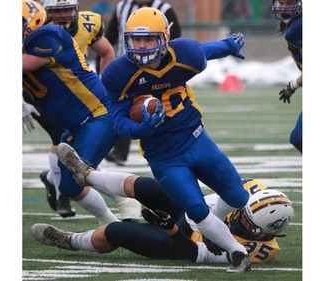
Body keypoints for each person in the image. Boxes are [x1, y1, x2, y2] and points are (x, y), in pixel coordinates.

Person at [100, 7, 251, 272]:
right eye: (137, 39)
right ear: (128, 40)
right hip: (164, 157)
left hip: (196, 139)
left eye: (149, 39)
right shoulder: (117, 73)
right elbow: (118, 122)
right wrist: (143, 128)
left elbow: (204, 51)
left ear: (165, 39)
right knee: (195, 208)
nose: (143, 45)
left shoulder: (184, 54)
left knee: (238, 197)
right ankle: (238, 253)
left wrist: (228, 45)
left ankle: (211, 228)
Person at [23, 0, 142, 219]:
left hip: (98, 115)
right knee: (69, 186)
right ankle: (110, 223)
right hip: (76, 124)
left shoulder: (48, 35)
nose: (64, 15)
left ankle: (131, 194)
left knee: (81, 173)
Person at [31, 178, 294, 267]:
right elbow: (213, 194)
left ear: (263, 232)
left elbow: (191, 252)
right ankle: (87, 174)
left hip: (182, 242)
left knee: (118, 231)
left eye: (249, 225)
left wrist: (171, 228)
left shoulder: (261, 250)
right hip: (195, 212)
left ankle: (69, 241)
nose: (241, 221)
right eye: (244, 214)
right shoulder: (250, 190)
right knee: (149, 186)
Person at [100, 0, 182, 166]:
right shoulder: (122, 7)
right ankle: (119, 152)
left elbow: (175, 38)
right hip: (129, 68)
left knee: (159, 107)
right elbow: (110, 38)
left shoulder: (163, 8)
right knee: (124, 109)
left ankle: (162, 147)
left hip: (158, 69)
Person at [272, 0, 302, 153]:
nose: (283, 8)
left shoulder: (299, 28)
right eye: (281, 3)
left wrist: (293, 85)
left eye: (288, 3)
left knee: (300, 137)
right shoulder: (293, 27)